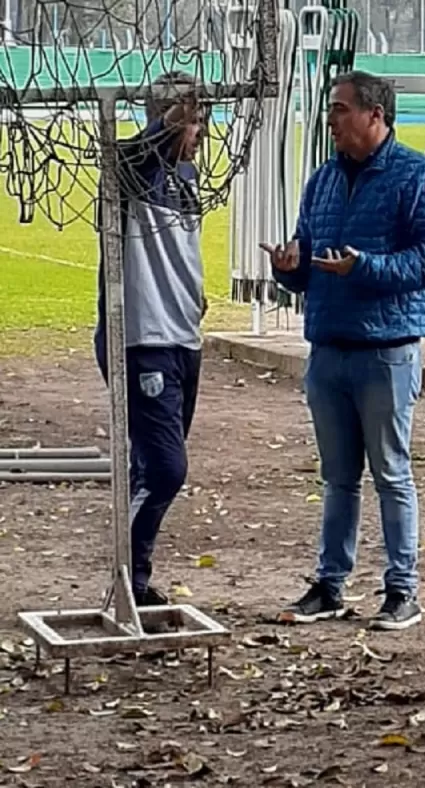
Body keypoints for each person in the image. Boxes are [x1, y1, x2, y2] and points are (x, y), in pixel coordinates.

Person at [263, 70, 425, 631]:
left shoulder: (422, 177)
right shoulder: (322, 181)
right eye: (331, 110)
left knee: (391, 473)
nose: (332, 121)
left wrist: (364, 267)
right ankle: (329, 585)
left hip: (386, 350)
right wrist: (290, 268)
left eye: (341, 110)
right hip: (327, 348)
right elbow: (308, 260)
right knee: (337, 476)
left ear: (376, 115)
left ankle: (402, 590)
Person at [94, 71, 209, 608]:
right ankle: (122, 575)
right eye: (193, 121)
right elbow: (133, 155)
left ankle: (136, 585)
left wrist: (196, 294)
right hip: (143, 339)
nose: (201, 133)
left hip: (183, 337)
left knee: (155, 467)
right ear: (170, 119)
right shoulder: (128, 168)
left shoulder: (186, 172)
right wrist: (167, 125)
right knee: (167, 467)